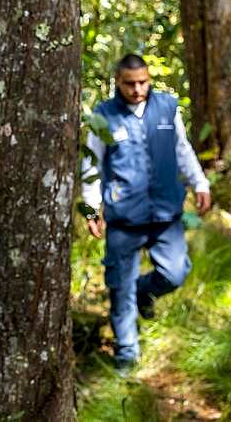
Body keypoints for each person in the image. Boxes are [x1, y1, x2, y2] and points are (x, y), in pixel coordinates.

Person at [81, 53, 211, 371]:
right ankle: (126, 353)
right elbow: (90, 166)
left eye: (143, 82)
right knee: (119, 285)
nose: (137, 89)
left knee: (175, 272)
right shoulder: (103, 116)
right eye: (130, 84)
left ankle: (144, 292)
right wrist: (89, 210)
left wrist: (200, 183)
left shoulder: (166, 107)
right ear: (118, 82)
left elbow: (182, 148)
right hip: (124, 216)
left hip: (166, 212)